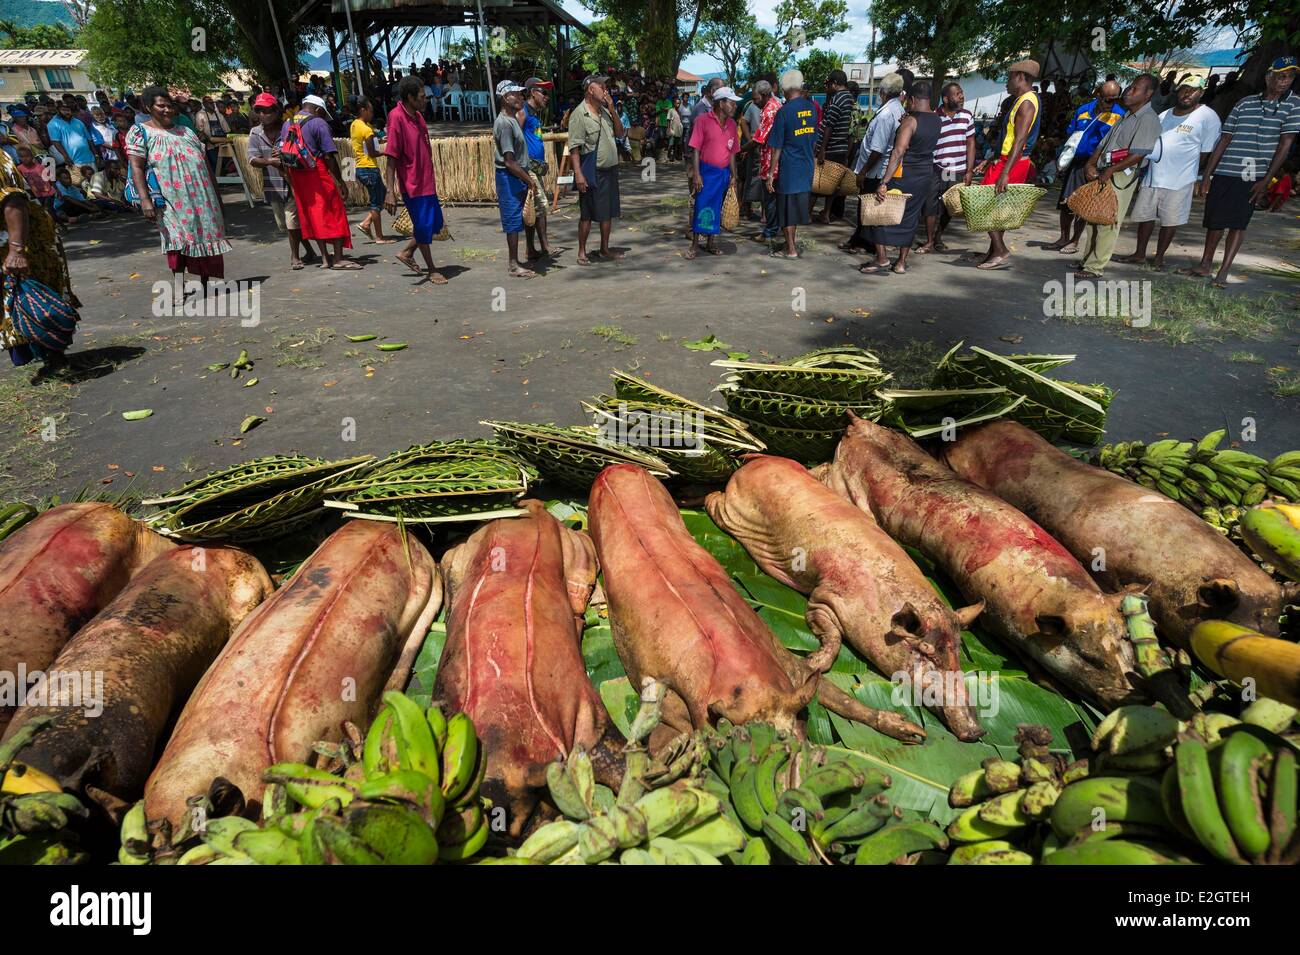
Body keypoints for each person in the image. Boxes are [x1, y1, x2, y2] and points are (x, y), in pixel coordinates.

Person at [1180, 57, 1299, 288]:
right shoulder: (1245, 103)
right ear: (1268, 77)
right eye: (1281, 75)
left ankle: (1223, 271)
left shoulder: (1294, 105)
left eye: (1290, 76)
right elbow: (1225, 139)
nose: (1285, 80)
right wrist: (1206, 176)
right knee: (1215, 219)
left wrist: (1266, 179)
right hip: (1226, 169)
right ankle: (1205, 265)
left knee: (1238, 222)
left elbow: (1285, 143)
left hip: (1252, 173)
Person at [126, 86, 232, 289]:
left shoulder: (187, 132)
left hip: (202, 198)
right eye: (161, 106)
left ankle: (203, 283)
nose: (167, 110)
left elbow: (206, 167)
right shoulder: (141, 132)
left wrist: (218, 198)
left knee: (204, 238)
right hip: (170, 201)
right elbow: (136, 167)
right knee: (176, 243)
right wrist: (145, 200)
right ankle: (178, 287)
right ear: (148, 107)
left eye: (169, 106)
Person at [1118, 76, 1220, 269]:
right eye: (1184, 89)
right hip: (1154, 174)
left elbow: (1207, 152)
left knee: (1170, 220)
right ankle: (1139, 253)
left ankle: (1159, 258)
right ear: (1178, 90)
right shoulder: (1165, 115)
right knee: (1145, 216)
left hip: (1180, 179)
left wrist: (1200, 177)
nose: (1188, 93)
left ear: (1201, 93)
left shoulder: (1208, 116)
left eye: (1194, 90)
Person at [0, 147, 79, 378]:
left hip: (24, 240)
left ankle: (55, 357)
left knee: (34, 297)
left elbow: (13, 201)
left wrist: (17, 250)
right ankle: (44, 357)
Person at [1075, 74, 1161, 278]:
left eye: (1135, 89)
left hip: (1120, 174)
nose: (1129, 91)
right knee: (1094, 217)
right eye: (1130, 87)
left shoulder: (1148, 119)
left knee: (1109, 221)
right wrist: (1091, 163)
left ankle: (1094, 267)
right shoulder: (1126, 115)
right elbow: (1104, 143)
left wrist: (1110, 171)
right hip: (1105, 170)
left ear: (1148, 94)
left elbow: (1138, 154)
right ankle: (1087, 261)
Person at [860, 83, 941, 275]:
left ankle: (882, 258)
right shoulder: (937, 119)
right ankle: (901, 263)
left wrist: (884, 182)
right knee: (911, 219)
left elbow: (898, 151)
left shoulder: (911, 121)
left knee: (878, 212)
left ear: (912, 99)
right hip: (924, 175)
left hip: (903, 174)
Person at [972, 60, 1042, 269]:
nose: (1006, 83)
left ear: (1021, 76)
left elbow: (1020, 140)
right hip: (1005, 158)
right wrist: (991, 158)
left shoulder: (1027, 102)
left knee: (983, 204)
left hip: (1012, 162)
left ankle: (1001, 250)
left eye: (1009, 77)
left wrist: (1005, 172)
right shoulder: (1021, 100)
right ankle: (993, 251)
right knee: (996, 208)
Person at [280, 94, 361, 270]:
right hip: (317, 173)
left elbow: (283, 151)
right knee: (334, 212)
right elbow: (329, 156)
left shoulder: (288, 123)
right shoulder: (318, 123)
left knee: (313, 215)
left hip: (298, 176)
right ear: (317, 109)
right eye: (323, 113)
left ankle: (325, 258)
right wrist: (341, 182)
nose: (324, 117)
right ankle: (338, 259)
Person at [383, 75, 447, 283]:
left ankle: (407, 252)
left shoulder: (418, 117)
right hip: (412, 184)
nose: (426, 99)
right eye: (421, 96)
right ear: (410, 97)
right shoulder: (396, 117)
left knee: (433, 225)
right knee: (423, 226)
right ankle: (432, 269)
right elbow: (391, 157)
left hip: (427, 181)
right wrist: (390, 191)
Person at [1049, 80, 1124, 254]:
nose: (1110, 103)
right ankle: (1063, 237)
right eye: (1107, 99)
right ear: (1098, 95)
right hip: (1076, 162)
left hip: (1096, 166)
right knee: (1066, 202)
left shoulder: (1119, 115)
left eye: (1115, 99)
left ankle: (1074, 241)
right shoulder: (1083, 110)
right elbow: (1071, 134)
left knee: (1084, 205)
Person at [247, 92, 314, 270]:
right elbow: (252, 159)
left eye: (267, 110)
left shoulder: (288, 128)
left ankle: (295, 256)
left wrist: (284, 157)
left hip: (293, 182)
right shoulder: (255, 133)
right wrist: (270, 161)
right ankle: (309, 250)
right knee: (285, 225)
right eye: (259, 111)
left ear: (276, 111)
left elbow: (301, 152)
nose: (263, 114)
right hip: (273, 185)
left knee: (292, 220)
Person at [845, 72, 906, 255]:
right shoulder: (898, 110)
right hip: (883, 168)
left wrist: (863, 171)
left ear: (883, 92)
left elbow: (877, 149)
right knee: (867, 207)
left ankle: (869, 245)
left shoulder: (886, 114)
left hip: (876, 170)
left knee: (869, 208)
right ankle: (859, 240)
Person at [566, 75, 625, 264]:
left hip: (610, 170)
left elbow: (620, 133)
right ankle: (581, 252)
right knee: (587, 214)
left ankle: (604, 249)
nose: (605, 90)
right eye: (602, 86)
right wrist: (579, 174)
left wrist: (612, 110)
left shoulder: (605, 112)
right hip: (593, 171)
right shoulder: (579, 114)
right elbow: (574, 148)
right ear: (591, 90)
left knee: (607, 212)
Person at [765, 70, 817, 259]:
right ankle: (791, 245)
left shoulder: (784, 112)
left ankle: (791, 249)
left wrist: (771, 174)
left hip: (789, 168)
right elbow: (813, 140)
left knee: (786, 210)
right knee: (794, 209)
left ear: (785, 89)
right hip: (806, 167)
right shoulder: (811, 108)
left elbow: (776, 147)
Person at [918, 81, 974, 254]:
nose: (962, 96)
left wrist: (969, 170)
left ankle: (938, 237)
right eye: (957, 94)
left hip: (953, 170)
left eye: (961, 92)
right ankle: (928, 240)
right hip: (936, 167)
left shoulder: (967, 116)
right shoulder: (934, 117)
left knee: (948, 205)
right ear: (946, 98)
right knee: (930, 204)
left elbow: (971, 143)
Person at [687, 85, 740, 259]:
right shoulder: (703, 120)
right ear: (720, 103)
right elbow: (695, 148)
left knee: (716, 208)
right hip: (706, 172)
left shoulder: (732, 125)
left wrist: (734, 175)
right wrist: (697, 174)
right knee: (701, 206)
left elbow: (732, 152)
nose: (735, 106)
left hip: (723, 173)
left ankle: (710, 242)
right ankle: (695, 244)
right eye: (731, 103)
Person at [492, 80, 538, 279]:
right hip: (509, 176)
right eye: (516, 94)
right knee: (512, 219)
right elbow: (509, 162)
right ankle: (513, 264)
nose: (520, 97)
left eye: (521, 94)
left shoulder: (512, 120)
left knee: (521, 216)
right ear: (505, 98)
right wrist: (529, 180)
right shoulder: (504, 123)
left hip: (516, 174)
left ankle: (522, 256)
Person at [350, 96, 394, 245]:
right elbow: (372, 152)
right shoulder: (366, 129)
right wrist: (387, 151)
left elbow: (364, 144)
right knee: (376, 202)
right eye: (370, 110)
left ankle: (367, 222)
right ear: (363, 110)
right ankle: (379, 237)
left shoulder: (355, 125)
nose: (372, 113)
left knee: (381, 197)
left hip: (361, 167)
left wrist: (380, 141)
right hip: (368, 167)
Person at [814, 69, 854, 223]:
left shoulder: (838, 98)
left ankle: (809, 213)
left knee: (818, 182)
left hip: (831, 147)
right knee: (833, 184)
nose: (827, 87)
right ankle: (826, 212)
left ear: (835, 84)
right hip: (841, 146)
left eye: (829, 84)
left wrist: (822, 149)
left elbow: (829, 125)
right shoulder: (849, 98)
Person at [521, 77, 553, 262]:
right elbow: (517, 137)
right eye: (544, 92)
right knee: (540, 205)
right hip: (527, 167)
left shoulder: (535, 113)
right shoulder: (523, 111)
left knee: (533, 208)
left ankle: (532, 248)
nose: (547, 97)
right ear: (533, 92)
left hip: (536, 166)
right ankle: (543, 246)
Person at [46, 99, 97, 172]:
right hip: (74, 161)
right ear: (58, 110)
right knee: (80, 182)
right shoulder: (53, 124)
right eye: (64, 110)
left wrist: (96, 154)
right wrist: (66, 157)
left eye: (68, 110)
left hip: (89, 158)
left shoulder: (78, 122)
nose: (67, 112)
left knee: (94, 181)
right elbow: (56, 142)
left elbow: (89, 139)